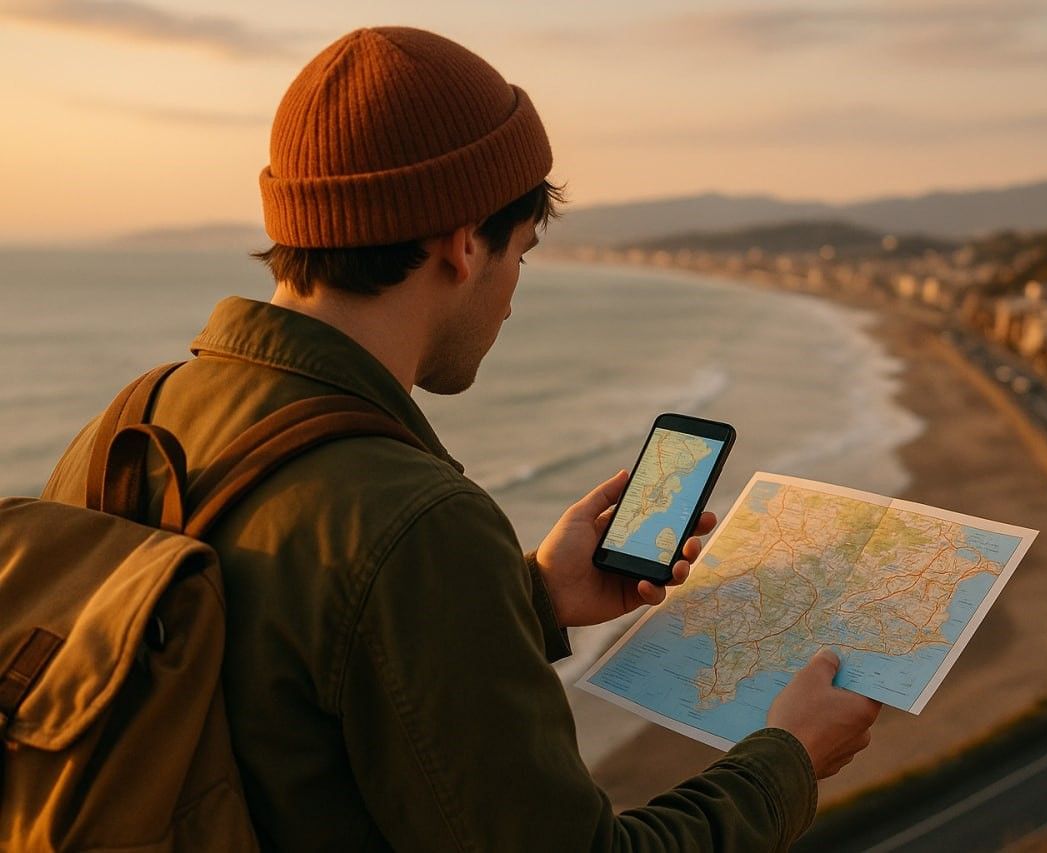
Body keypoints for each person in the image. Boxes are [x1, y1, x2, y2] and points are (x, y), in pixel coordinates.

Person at [43, 26, 881, 851]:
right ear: (463, 243)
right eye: (521, 252)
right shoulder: (417, 522)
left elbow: (269, 687)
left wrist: (525, 598)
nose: (513, 293)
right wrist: (790, 759)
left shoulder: (124, 426)